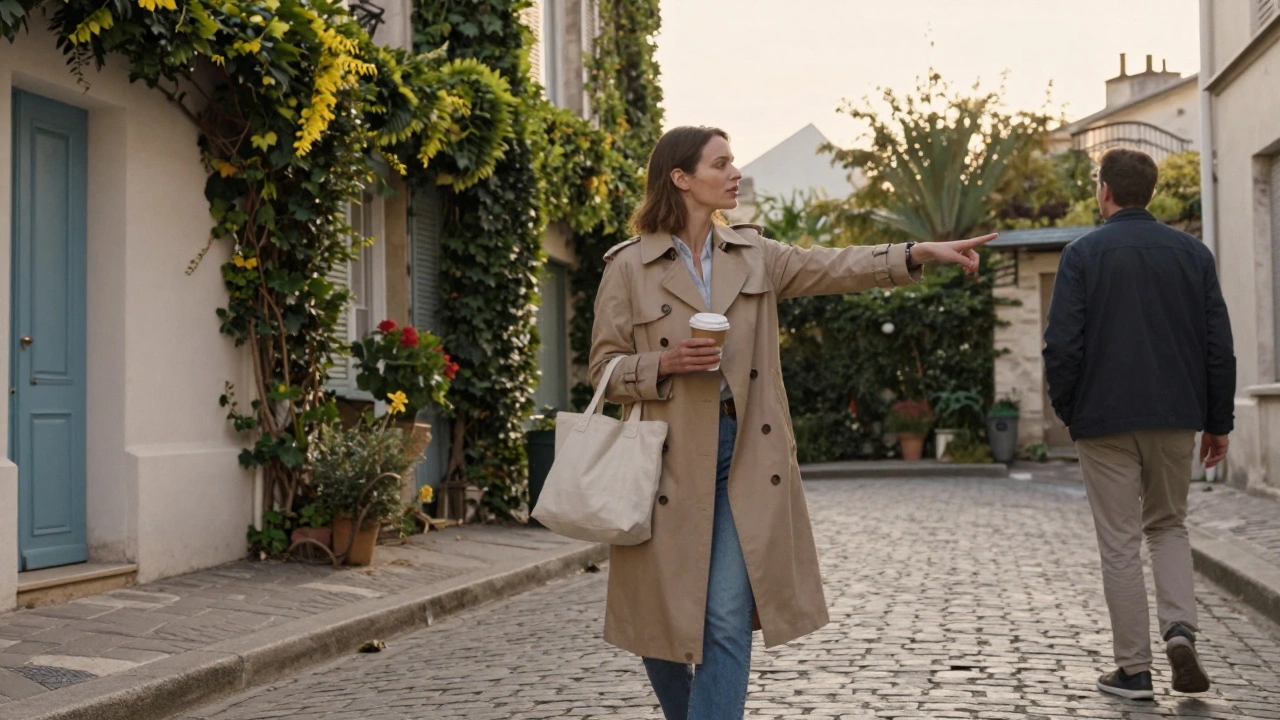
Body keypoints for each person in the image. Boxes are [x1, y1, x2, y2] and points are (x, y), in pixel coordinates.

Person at [589, 125, 996, 720]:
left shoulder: (754, 254)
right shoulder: (628, 268)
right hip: (666, 460)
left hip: (745, 452)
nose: (734, 173)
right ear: (680, 178)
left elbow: (834, 266)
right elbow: (603, 367)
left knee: (725, 614)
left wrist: (918, 255)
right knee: (662, 624)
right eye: (720, 163)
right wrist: (665, 363)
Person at [1044, 147, 1236, 700]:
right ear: (1149, 192)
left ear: (1104, 190)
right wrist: (1216, 422)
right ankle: (1180, 629)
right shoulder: (1193, 254)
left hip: (1103, 421)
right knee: (1169, 525)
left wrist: (1071, 411)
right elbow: (1217, 347)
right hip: (1176, 417)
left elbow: (1061, 345)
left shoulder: (1082, 254)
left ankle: (1134, 670)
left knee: (1121, 542)